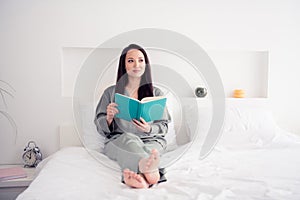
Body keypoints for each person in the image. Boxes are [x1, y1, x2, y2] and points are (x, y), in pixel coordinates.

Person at [94, 44, 170, 188]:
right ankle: (151, 172)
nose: (137, 65)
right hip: (119, 140)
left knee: (151, 150)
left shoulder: (157, 94)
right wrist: (109, 118)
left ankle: (140, 178)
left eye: (141, 60)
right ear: (123, 65)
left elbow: (163, 126)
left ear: (145, 64)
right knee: (130, 141)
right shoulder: (110, 93)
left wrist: (148, 128)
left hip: (151, 140)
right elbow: (99, 125)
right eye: (130, 60)